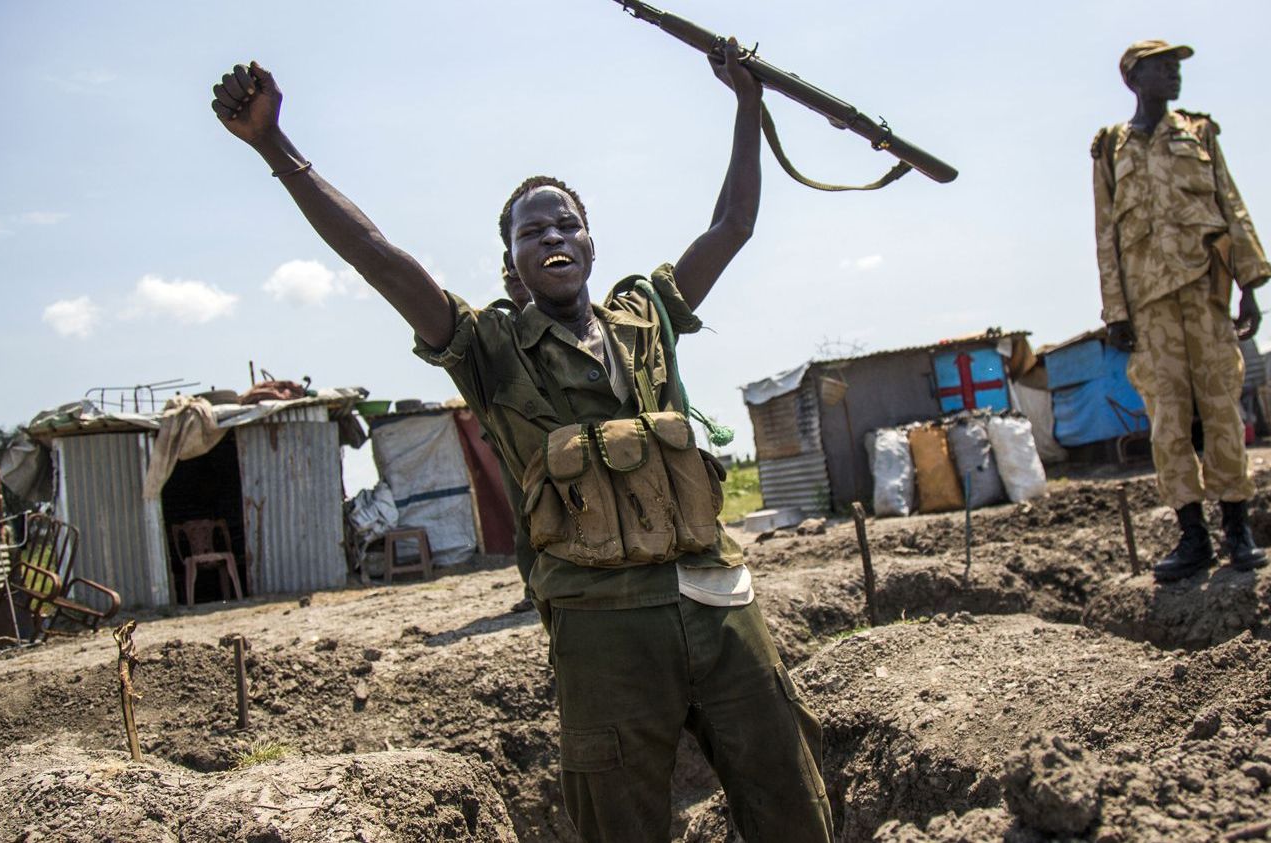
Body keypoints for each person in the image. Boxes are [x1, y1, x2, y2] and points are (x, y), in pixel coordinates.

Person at [210, 43, 833, 842]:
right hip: (602, 629)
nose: (553, 236)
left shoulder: (648, 314)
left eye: (567, 222)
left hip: (719, 602)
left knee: (793, 805)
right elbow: (374, 255)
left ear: (592, 243)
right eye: (531, 230)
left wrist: (748, 103)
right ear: (512, 264)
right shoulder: (486, 346)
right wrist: (273, 144)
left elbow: (733, 224)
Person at [1091, 40, 1271, 582]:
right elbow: (1106, 233)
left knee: (1220, 405)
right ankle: (1192, 535)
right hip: (1148, 305)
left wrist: (1250, 284)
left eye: (1176, 66)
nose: (1173, 74)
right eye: (1161, 67)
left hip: (1204, 292)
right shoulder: (1110, 148)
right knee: (1167, 419)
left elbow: (1230, 206)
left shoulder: (1199, 133)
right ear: (1133, 78)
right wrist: (1115, 311)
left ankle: (1237, 527)